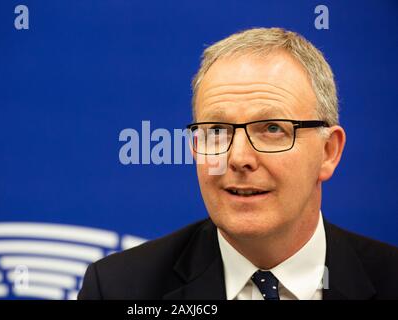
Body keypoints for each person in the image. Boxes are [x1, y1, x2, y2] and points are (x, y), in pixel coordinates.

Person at [78, 27, 398, 300]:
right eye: (216, 132)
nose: (239, 158)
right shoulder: (119, 288)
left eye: (272, 128)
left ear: (328, 151)